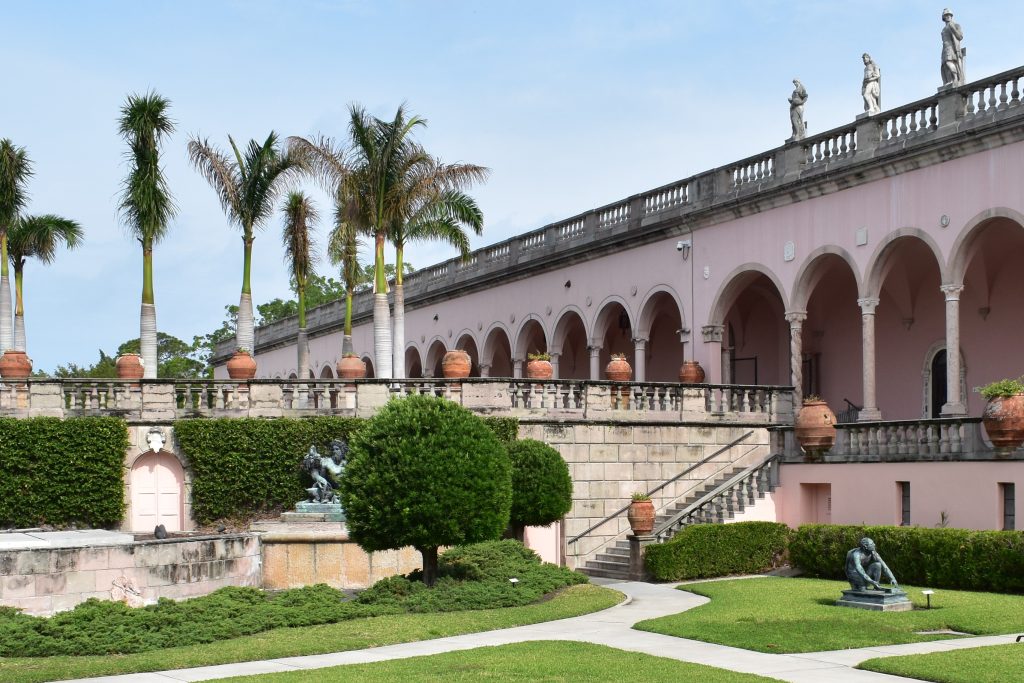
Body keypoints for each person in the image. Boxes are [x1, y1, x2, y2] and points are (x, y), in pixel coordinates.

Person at [940, 8, 965, 87]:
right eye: (946, 15)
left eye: (948, 15)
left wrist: (952, 28)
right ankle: (949, 80)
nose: (947, 17)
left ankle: (955, 78)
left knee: (948, 62)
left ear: (951, 16)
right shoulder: (943, 29)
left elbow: (960, 36)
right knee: (944, 65)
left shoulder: (956, 25)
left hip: (952, 47)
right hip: (944, 47)